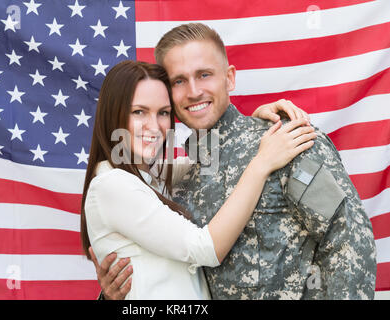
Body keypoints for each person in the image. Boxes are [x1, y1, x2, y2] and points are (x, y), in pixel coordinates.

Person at [92, 23, 377, 300]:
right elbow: (167, 271)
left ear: (229, 78)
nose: (193, 91)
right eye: (179, 81)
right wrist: (113, 295)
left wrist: (254, 132)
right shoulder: (178, 180)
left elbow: (348, 241)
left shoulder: (285, 142)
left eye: (204, 75)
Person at [81, 60, 316, 299]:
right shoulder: (112, 184)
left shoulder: (151, 175)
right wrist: (262, 164)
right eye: (139, 112)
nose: (154, 126)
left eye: (163, 112)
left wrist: (253, 127)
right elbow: (206, 248)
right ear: (113, 114)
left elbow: (213, 161)